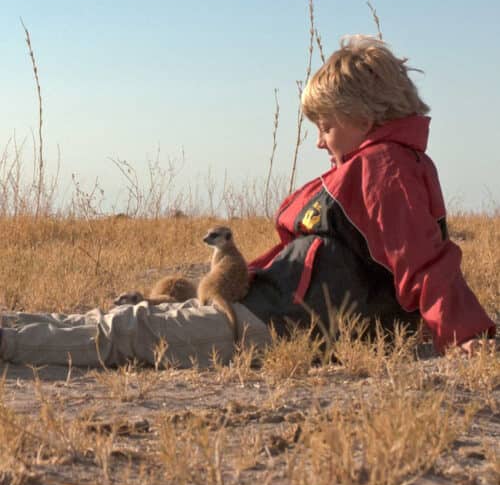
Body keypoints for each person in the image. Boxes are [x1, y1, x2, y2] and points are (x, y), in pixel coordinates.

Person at [0, 36, 495, 368]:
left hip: (276, 326)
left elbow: (424, 262)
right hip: (265, 309)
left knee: (129, 333)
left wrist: (465, 335)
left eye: (326, 126)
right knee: (124, 321)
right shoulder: (381, 164)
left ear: (363, 116)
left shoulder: (384, 167)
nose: (320, 142)